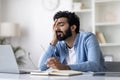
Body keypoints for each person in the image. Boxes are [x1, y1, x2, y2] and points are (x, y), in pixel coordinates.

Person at [39, 11, 105, 72]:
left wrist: (65, 67)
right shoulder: (59, 44)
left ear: (73, 28)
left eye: (61, 25)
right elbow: (41, 67)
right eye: (55, 25)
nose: (56, 29)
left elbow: (94, 65)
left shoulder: (88, 38)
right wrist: (53, 42)